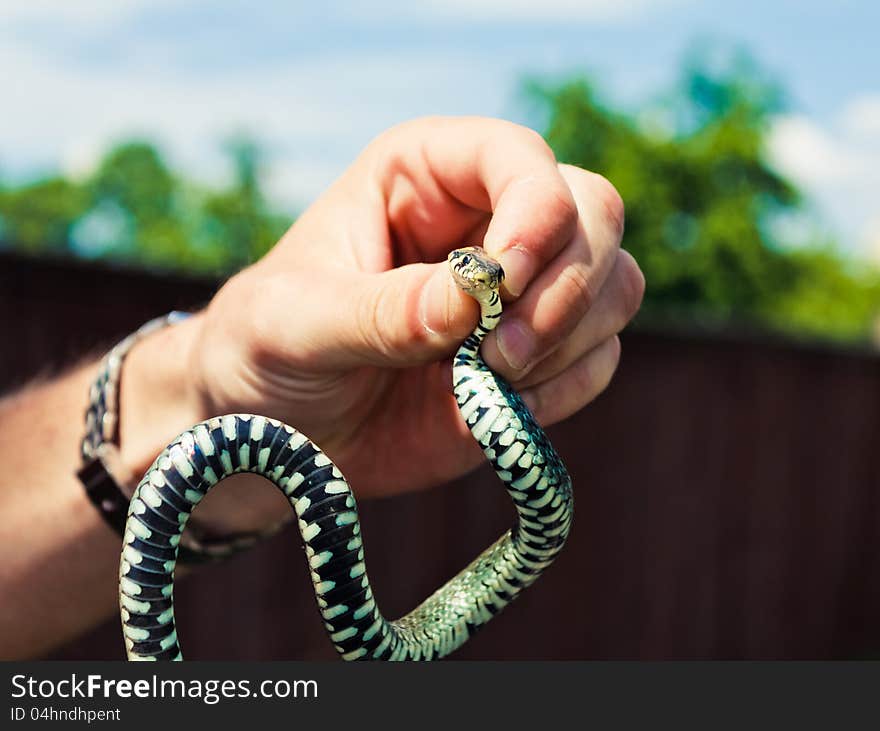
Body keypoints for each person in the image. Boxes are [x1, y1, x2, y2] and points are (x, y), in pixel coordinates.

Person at [0, 116, 643, 659]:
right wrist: (200, 388)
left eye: (476, 267)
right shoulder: (455, 348)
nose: (464, 269)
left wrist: (191, 395)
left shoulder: (476, 359)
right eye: (459, 264)